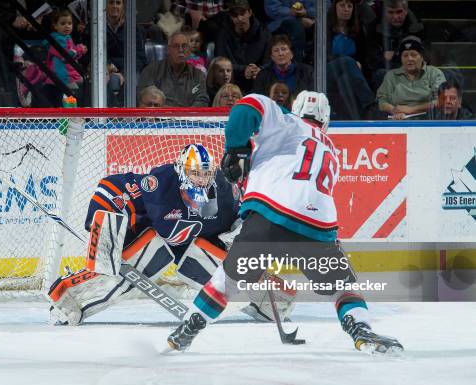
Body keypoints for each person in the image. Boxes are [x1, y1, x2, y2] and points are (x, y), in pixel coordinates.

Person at [167, 91, 404, 355]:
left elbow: (245, 109)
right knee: (343, 288)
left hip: (268, 216)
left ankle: (189, 327)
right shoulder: (331, 150)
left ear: (294, 109)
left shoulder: (286, 121)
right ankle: (360, 329)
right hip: (317, 227)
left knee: (227, 281)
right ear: (325, 121)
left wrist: (235, 149)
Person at [48, 144, 290, 325]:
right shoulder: (160, 183)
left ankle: (265, 300)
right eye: (195, 173)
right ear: (182, 172)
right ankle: (66, 296)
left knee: (223, 273)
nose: (202, 179)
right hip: (147, 236)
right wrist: (101, 226)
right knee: (129, 274)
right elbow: (111, 189)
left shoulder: (225, 193)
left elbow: (244, 222)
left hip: (189, 245)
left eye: (206, 173)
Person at [377, 36, 445, 120]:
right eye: (405, 55)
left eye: (414, 54)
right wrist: (394, 110)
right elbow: (382, 101)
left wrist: (412, 110)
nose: (409, 59)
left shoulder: (434, 73)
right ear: (401, 59)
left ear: (422, 56)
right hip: (398, 120)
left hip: (428, 120)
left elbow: (441, 100)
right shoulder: (391, 76)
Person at [137, 32, 209, 107]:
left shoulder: (198, 75)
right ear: (168, 50)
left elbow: (202, 100)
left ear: (189, 51)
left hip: (187, 117)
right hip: (159, 116)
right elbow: (144, 96)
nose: (181, 50)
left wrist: (184, 114)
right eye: (176, 46)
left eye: (184, 46)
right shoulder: (152, 69)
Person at [366, 0, 425, 89]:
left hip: (411, 72)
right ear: (385, 12)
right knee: (382, 74)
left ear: (406, 11)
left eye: (399, 12)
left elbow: (424, 57)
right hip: (385, 72)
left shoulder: (417, 27)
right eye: (390, 12)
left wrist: (394, 56)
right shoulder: (375, 28)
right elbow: (372, 60)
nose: (395, 17)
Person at [214, 0, 270, 94]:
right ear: (230, 17)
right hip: (232, 80)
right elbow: (220, 62)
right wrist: (243, 69)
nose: (239, 18)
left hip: (258, 80)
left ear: (250, 12)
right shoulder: (223, 34)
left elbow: (269, 61)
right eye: (235, 15)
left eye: (242, 13)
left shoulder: (263, 32)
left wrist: (259, 70)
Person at [43, 9, 87, 106]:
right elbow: (65, 56)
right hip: (62, 76)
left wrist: (80, 51)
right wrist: (79, 49)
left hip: (69, 75)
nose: (67, 26)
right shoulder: (55, 40)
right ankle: (69, 118)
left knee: (75, 94)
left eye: (69, 23)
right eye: (63, 23)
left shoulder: (67, 37)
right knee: (69, 98)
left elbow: (73, 56)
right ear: (55, 26)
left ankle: (72, 116)